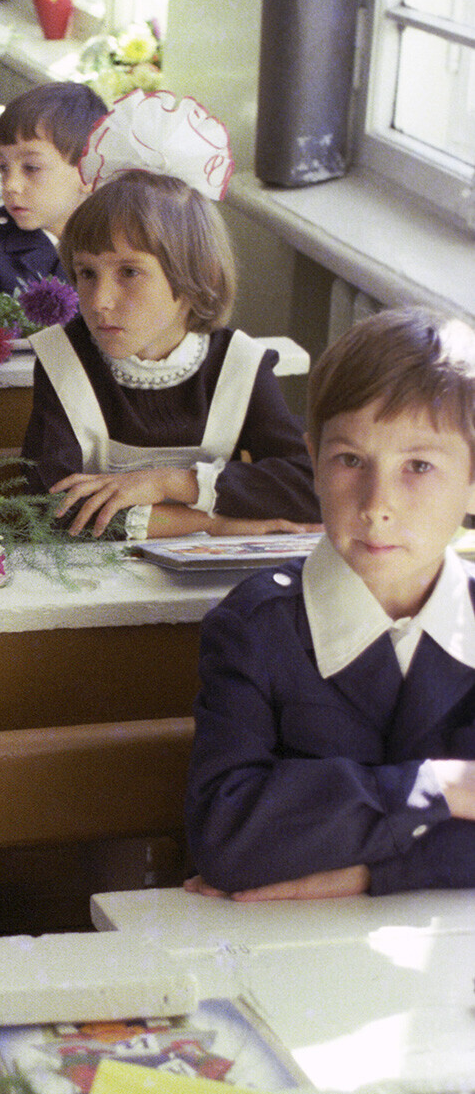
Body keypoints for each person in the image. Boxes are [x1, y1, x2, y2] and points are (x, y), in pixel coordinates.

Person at [186, 309, 475, 900]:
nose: (377, 504)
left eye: (419, 466)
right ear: (313, 458)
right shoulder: (255, 629)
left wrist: (368, 874)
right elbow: (227, 838)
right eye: (351, 460)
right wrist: (439, 785)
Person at [22, 90, 320, 541]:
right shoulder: (63, 356)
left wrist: (164, 482)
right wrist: (217, 523)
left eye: (129, 273)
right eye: (85, 272)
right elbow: (53, 506)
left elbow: (309, 487)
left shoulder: (238, 365)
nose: (99, 299)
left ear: (189, 278)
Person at [0, 81, 106, 303]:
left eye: (32, 168)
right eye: (3, 167)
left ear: (89, 173)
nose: (10, 185)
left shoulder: (123, 239)